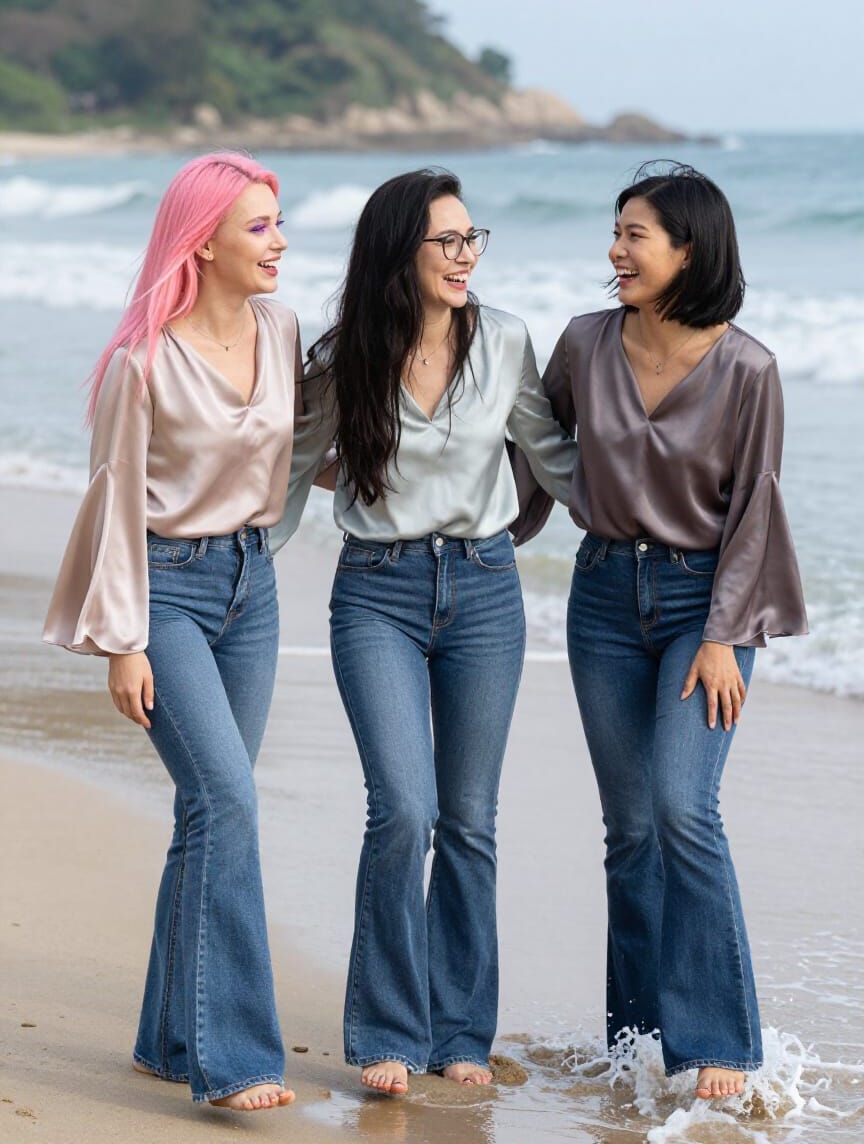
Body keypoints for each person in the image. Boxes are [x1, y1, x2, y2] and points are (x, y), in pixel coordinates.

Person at [270, 168, 578, 1095]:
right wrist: (232, 568)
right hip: (376, 594)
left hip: (486, 591)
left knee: (470, 821)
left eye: (472, 239)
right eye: (446, 241)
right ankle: (387, 1035)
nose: (465, 257)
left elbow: (553, 455)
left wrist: (644, 526)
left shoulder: (508, 339)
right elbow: (287, 473)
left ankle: (460, 1034)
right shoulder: (341, 360)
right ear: (398, 251)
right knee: (403, 810)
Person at [512, 163, 808, 1100]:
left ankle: (719, 1042)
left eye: (635, 234)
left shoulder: (749, 369)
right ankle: (635, 1040)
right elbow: (535, 463)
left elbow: (756, 512)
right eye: (616, 231)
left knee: (685, 808)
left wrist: (724, 634)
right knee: (631, 829)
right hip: (601, 596)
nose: (616, 251)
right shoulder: (584, 343)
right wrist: (472, 542)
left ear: (691, 248)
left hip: (704, 609)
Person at [43, 152, 301, 1112]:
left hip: (254, 586)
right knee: (229, 804)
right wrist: (122, 640)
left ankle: (164, 1035)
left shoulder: (282, 331)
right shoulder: (140, 362)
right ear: (205, 242)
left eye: (278, 222)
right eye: (260, 228)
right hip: (168, 596)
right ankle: (233, 1060)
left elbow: (307, 445)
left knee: (209, 816)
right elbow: (111, 502)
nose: (280, 242)